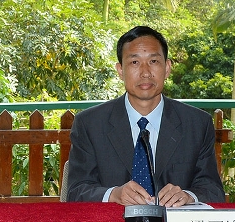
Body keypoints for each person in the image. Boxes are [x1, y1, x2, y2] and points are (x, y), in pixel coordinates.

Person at [66, 26, 225, 205]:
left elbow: (213, 189)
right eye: (134, 62)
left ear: (167, 68)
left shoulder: (197, 124)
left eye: (154, 61)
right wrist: (114, 194)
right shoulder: (90, 124)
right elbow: (76, 191)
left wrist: (188, 196)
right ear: (120, 70)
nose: (145, 73)